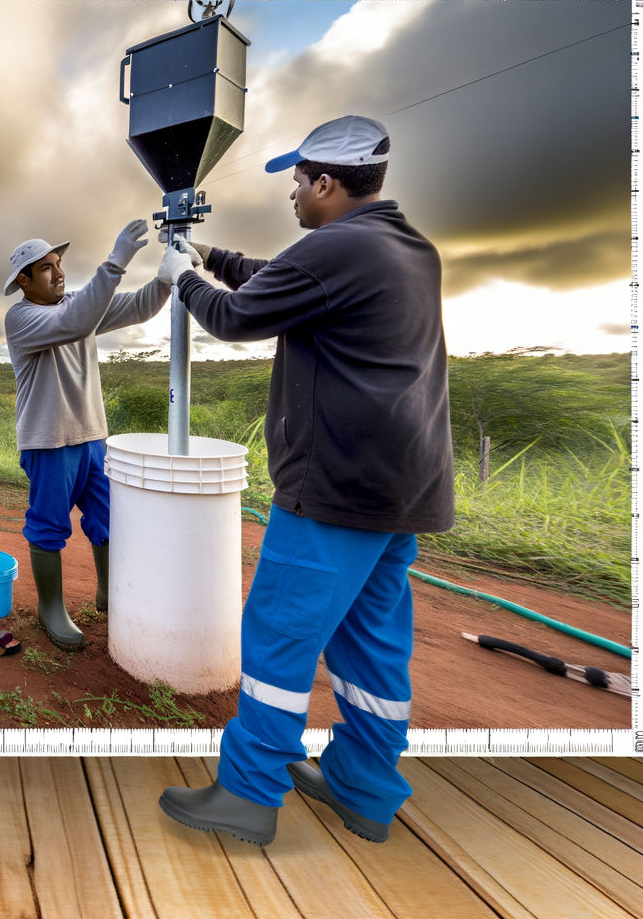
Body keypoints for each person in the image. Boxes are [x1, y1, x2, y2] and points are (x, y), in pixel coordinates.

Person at [153, 115, 454, 846]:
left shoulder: (337, 248)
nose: (292, 193)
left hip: (335, 489)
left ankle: (249, 794)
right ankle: (363, 787)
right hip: (399, 490)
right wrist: (215, 254)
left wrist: (182, 278)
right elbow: (283, 284)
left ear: (326, 183)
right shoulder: (402, 245)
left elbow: (234, 317)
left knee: (279, 637)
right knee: (370, 643)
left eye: (297, 181)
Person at [3, 219, 174, 651]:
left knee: (110, 519)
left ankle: (108, 594)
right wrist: (114, 262)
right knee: (48, 526)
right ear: (24, 280)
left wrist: (169, 274)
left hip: (93, 439)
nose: (58, 273)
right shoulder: (21, 317)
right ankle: (51, 609)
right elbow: (75, 323)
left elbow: (140, 306)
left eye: (59, 264)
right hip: (49, 442)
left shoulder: (80, 303)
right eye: (45, 268)